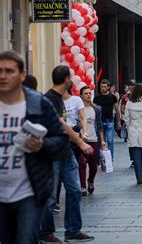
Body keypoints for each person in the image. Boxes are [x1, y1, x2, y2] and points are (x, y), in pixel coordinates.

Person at [0, 51, 68, 244]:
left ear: (22, 75)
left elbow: (61, 140)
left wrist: (42, 144)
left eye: (9, 71)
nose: (3, 75)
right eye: (0, 71)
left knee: (26, 239)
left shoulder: (38, 103)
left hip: (28, 190)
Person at [40, 65, 94, 243]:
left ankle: (73, 230)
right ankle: (46, 232)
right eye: (70, 77)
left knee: (74, 190)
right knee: (49, 197)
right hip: (53, 154)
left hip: (66, 152)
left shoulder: (61, 98)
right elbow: (61, 124)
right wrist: (80, 141)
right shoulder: (49, 99)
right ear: (67, 80)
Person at [79, 86, 106, 195]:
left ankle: (90, 180)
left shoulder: (96, 109)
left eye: (90, 93)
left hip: (94, 139)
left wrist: (102, 140)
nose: (88, 95)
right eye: (86, 93)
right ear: (81, 95)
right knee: (82, 164)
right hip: (82, 140)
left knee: (94, 165)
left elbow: (99, 126)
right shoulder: (79, 109)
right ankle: (83, 187)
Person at [94, 79, 121, 160]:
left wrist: (118, 121)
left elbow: (117, 110)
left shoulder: (113, 97)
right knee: (101, 141)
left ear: (108, 87)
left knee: (110, 140)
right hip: (100, 122)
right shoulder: (97, 98)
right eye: (102, 86)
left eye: (105, 86)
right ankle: (102, 158)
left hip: (110, 121)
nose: (103, 88)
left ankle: (110, 158)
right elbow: (94, 111)